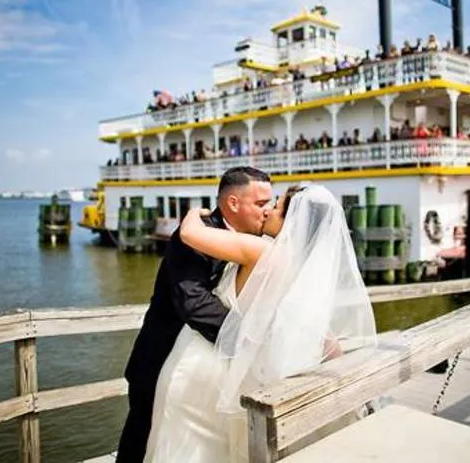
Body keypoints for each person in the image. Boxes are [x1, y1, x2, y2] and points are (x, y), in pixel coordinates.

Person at [143, 184, 377, 463]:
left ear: (293, 220)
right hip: (241, 373)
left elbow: (190, 234)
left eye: (276, 207)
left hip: (202, 362)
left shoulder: (261, 251)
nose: (268, 211)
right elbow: (320, 333)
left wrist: (194, 212)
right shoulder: (305, 272)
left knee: (188, 447)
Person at [116, 166, 273, 462]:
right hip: (161, 359)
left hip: (204, 368)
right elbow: (192, 301)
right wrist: (247, 339)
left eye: (270, 204)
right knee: (141, 439)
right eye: (260, 203)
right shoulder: (193, 237)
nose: (267, 211)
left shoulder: (253, 242)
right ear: (233, 203)